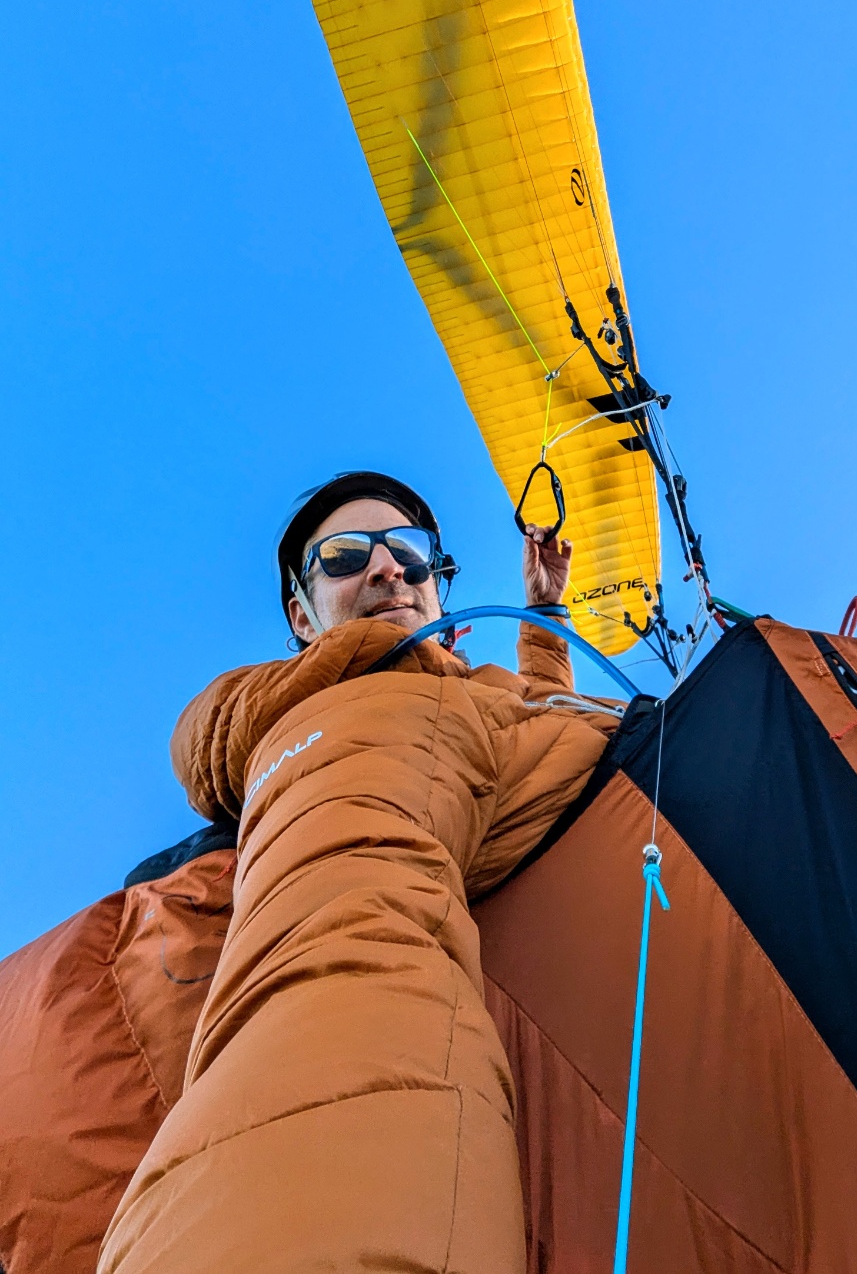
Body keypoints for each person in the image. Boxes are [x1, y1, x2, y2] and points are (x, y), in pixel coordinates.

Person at [91, 470, 617, 1274]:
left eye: (408, 553)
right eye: (344, 558)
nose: (386, 569)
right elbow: (345, 949)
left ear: (438, 586)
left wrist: (544, 617)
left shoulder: (465, 693)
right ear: (303, 616)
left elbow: (541, 720)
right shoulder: (337, 709)